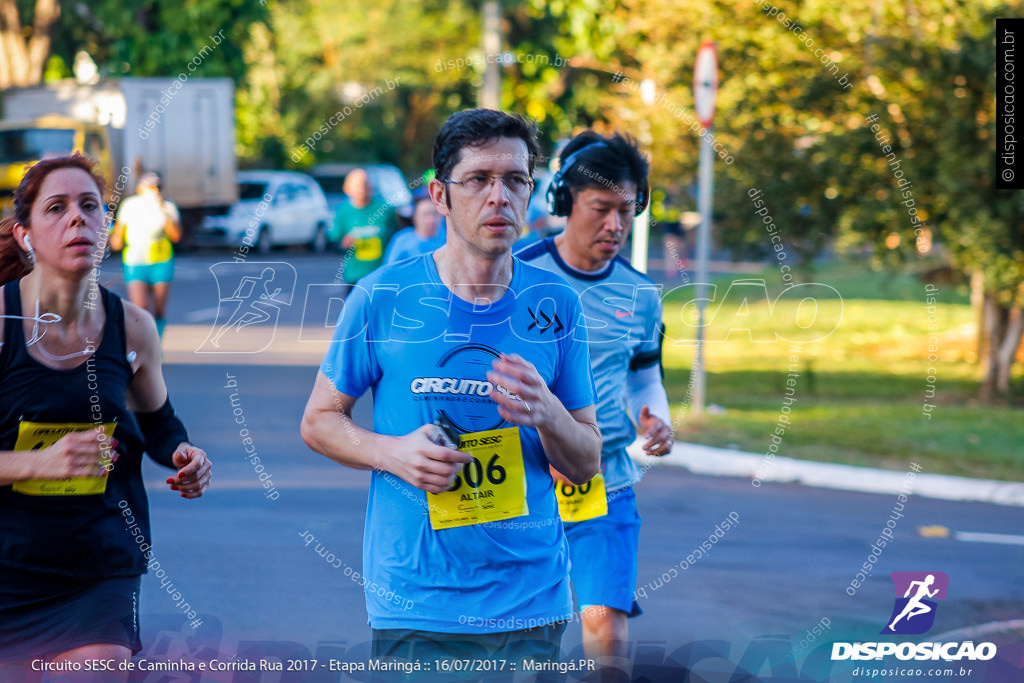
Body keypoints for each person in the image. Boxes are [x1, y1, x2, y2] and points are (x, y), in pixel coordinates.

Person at [301, 109, 601, 673]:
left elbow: (586, 461)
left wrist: (549, 414)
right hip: (416, 600)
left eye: (515, 180)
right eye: (479, 179)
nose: (499, 197)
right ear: (440, 195)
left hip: (530, 602)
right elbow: (319, 420)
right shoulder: (382, 296)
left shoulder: (557, 305)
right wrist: (393, 454)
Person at [0, 154, 212, 682]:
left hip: (100, 565)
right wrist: (37, 464)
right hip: (7, 566)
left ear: (107, 229)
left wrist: (184, 453)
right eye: (57, 207)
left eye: (90, 206)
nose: (77, 218)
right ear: (26, 235)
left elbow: (159, 422)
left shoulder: (134, 327)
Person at [517, 132, 673, 682]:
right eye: (601, 209)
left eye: (626, 212)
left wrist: (654, 417)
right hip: (520, 480)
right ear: (565, 203)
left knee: (606, 625)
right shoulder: (515, 276)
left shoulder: (641, 295)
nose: (615, 226)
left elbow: (643, 377)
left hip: (603, 478)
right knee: (521, 629)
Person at [108, 172, 181, 339]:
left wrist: (162, 209)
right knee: (140, 309)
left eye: (157, 187)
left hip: (161, 260)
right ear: (140, 188)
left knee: (159, 309)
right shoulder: (129, 205)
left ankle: (157, 343)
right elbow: (118, 238)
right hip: (136, 260)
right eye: (150, 186)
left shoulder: (168, 207)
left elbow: (176, 236)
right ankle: (143, 346)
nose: (154, 190)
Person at [328, 168, 399, 283]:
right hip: (355, 275)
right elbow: (334, 240)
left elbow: (397, 233)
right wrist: (344, 244)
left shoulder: (385, 209)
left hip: (381, 274)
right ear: (347, 188)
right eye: (357, 185)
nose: (362, 188)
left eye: (365, 183)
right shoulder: (342, 212)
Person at [383, 188, 445, 264]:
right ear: (415, 217)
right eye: (425, 214)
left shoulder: (447, 239)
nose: (431, 220)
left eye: (435, 214)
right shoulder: (402, 240)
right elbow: (390, 268)